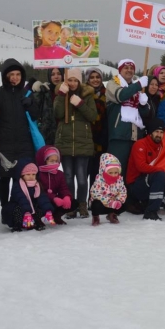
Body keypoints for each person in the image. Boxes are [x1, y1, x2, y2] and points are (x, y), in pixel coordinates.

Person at [53, 68, 97, 219]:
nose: (72, 83)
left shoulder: (87, 95)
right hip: (65, 142)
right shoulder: (61, 93)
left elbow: (92, 115)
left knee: (82, 177)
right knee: (68, 177)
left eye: (75, 80)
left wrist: (80, 104)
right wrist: (61, 96)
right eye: (69, 80)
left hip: (82, 142)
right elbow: (57, 113)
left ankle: (82, 204)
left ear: (79, 82)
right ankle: (71, 205)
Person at [126, 118, 165, 220]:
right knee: (160, 174)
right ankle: (151, 212)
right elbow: (141, 166)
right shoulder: (140, 144)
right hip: (136, 184)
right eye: (156, 132)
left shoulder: (161, 146)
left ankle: (151, 202)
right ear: (150, 132)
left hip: (153, 182)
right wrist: (161, 170)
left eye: (161, 132)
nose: (159, 135)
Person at [0, 58, 37, 206]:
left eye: (18, 74)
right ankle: (5, 208)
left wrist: (31, 104)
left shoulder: (27, 94)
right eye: (11, 74)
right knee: (5, 178)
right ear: (5, 76)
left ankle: (20, 207)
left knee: (22, 177)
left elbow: (36, 116)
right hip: (5, 144)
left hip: (24, 144)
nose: (15, 77)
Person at [105, 59, 148, 176]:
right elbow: (121, 95)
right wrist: (138, 85)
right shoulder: (113, 83)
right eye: (126, 68)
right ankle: (115, 194)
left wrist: (144, 104)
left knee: (133, 172)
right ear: (120, 70)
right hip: (119, 135)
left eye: (132, 68)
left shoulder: (135, 89)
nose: (129, 70)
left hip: (135, 136)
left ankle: (131, 194)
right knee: (116, 170)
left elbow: (144, 115)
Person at [2, 162, 55, 232]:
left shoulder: (37, 185)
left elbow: (42, 197)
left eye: (33, 174)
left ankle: (34, 222)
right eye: (28, 174)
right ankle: (17, 224)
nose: (31, 176)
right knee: (18, 209)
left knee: (38, 207)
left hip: (30, 207)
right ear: (22, 175)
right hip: (18, 206)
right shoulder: (18, 185)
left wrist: (48, 210)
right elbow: (21, 198)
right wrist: (27, 211)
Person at [35, 144, 73, 224]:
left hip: (54, 199)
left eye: (56, 161)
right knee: (40, 204)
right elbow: (40, 191)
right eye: (51, 161)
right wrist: (53, 198)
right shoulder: (38, 173)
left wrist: (66, 196)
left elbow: (63, 188)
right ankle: (37, 219)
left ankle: (56, 216)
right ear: (44, 160)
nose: (54, 163)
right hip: (41, 199)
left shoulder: (59, 174)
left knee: (73, 202)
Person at [89, 153, 127, 226]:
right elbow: (95, 194)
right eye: (110, 172)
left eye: (116, 172)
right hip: (103, 203)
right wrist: (109, 202)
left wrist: (118, 200)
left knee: (125, 203)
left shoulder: (119, 180)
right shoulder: (99, 180)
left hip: (113, 203)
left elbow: (123, 192)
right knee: (95, 204)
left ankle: (112, 215)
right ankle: (96, 217)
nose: (113, 175)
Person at [86, 69, 109, 190]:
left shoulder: (107, 94)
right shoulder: (84, 94)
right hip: (87, 138)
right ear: (87, 80)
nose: (95, 79)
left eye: (98, 77)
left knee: (98, 172)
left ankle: (94, 199)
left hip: (102, 138)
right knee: (84, 173)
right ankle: (82, 201)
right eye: (92, 77)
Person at [30, 67, 63, 145]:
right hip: (47, 135)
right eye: (53, 74)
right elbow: (34, 106)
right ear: (49, 76)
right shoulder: (44, 92)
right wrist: (36, 90)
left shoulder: (68, 92)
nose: (56, 77)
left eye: (59, 73)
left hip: (64, 136)